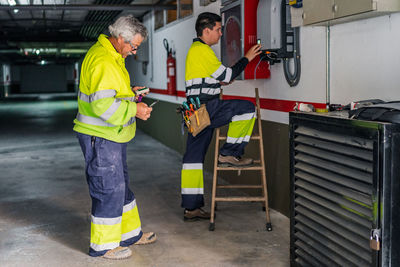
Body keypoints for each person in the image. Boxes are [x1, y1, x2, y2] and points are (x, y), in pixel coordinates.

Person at [73, 15, 156, 260]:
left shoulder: (113, 56)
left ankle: (130, 234)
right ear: (121, 38)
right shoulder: (103, 60)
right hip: (101, 137)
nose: (134, 51)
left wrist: (130, 94)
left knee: (120, 186)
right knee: (108, 188)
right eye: (134, 46)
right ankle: (104, 246)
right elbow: (101, 106)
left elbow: (111, 93)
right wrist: (135, 110)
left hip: (112, 136)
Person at [181, 12, 262, 221]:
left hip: (194, 111)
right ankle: (230, 152)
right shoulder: (202, 51)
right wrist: (247, 58)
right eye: (218, 29)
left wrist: (219, 83)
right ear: (206, 31)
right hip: (208, 108)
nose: (220, 33)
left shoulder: (195, 51)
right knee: (247, 108)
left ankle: (191, 208)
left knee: (193, 160)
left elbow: (212, 79)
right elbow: (227, 74)